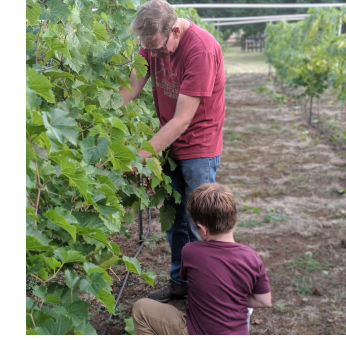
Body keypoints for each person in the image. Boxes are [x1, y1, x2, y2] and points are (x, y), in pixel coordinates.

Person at [119, 0, 227, 303]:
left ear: (175, 30)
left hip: (198, 147)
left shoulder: (201, 50)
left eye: (157, 49)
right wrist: (98, 118)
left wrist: (140, 155)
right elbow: (132, 88)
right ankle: (181, 283)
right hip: (168, 144)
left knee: (201, 223)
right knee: (174, 219)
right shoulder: (152, 43)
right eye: (148, 50)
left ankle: (210, 294)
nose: (153, 56)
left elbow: (182, 119)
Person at [131, 183, 270, 335]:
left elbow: (190, 281)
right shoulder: (252, 257)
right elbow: (264, 301)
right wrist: (233, 300)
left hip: (198, 332)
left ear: (204, 230)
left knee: (141, 309)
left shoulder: (191, 252)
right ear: (234, 218)